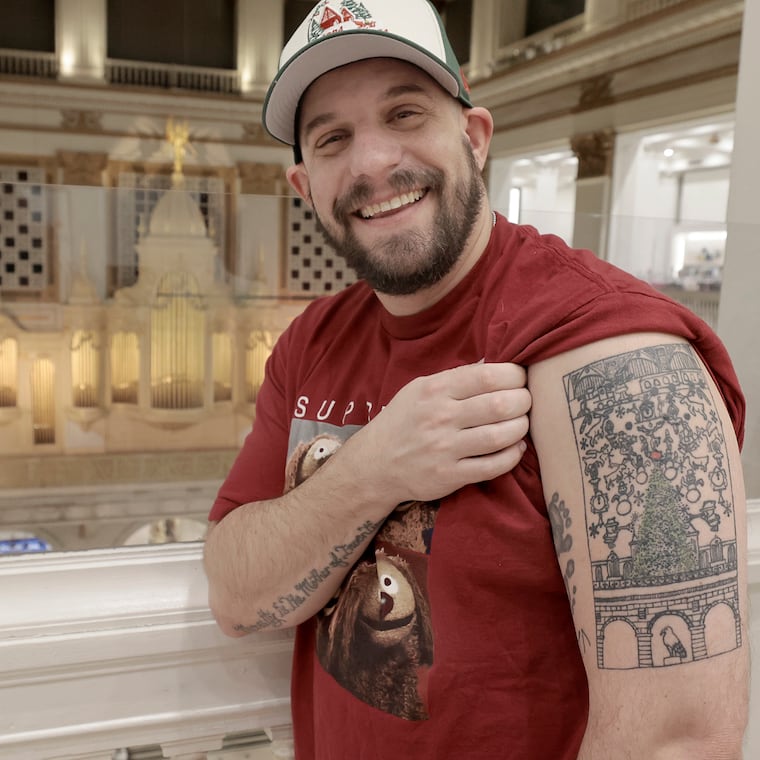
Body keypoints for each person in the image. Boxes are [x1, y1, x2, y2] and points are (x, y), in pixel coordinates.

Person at [203, 1, 749, 757]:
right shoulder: (311, 342)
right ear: (305, 185)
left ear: (475, 136)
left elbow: (676, 741)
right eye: (334, 139)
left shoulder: (610, 352)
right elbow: (235, 596)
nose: (371, 163)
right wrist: (374, 469)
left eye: (405, 112)